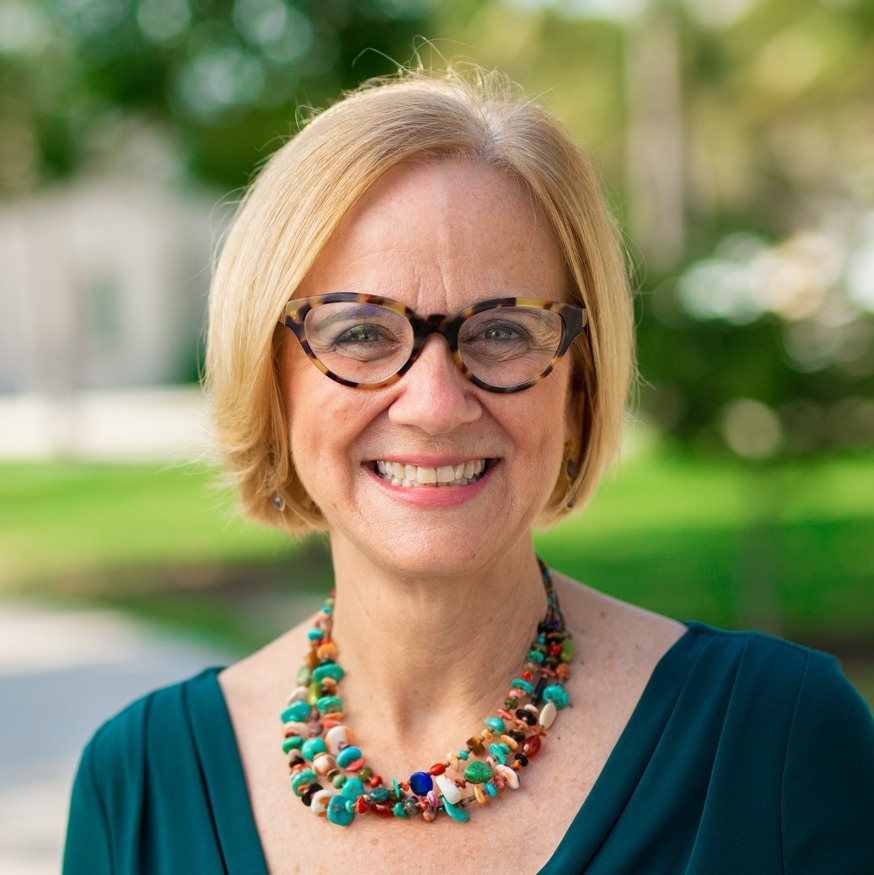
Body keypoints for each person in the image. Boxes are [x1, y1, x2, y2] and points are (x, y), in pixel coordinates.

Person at [63, 66, 874, 874]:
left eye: (502, 331)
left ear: (579, 382)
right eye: (360, 333)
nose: (435, 403)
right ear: (271, 380)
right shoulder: (136, 785)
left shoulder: (779, 742)